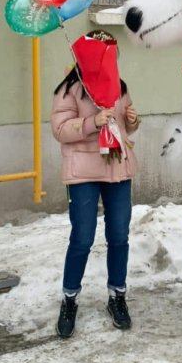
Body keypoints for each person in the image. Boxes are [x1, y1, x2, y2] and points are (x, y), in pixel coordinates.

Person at [51, 30, 140, 338]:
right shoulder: (70, 89)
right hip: (84, 172)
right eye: (105, 55)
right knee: (82, 237)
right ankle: (69, 299)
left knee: (119, 235)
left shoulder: (119, 85)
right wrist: (92, 123)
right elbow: (60, 129)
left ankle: (117, 296)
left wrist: (131, 119)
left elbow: (126, 127)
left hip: (116, 168)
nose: (111, 61)